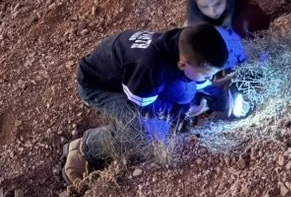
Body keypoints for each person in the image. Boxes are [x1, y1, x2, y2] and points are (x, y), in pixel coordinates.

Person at [63, 24, 229, 182]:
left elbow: (200, 83)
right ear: (182, 64)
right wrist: (182, 110)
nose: (209, 78)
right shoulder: (150, 68)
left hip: (132, 79)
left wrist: (220, 99)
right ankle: (84, 148)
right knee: (141, 132)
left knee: (186, 91)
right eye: (206, 75)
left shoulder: (185, 44)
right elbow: (145, 109)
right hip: (98, 86)